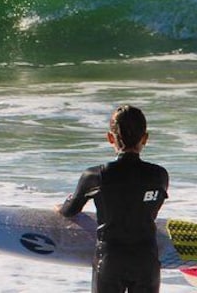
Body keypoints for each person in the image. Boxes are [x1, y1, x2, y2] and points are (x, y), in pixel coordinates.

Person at [58, 105, 169, 293]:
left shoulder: (95, 175)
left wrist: (61, 207)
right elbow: (149, 211)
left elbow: (70, 210)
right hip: (146, 260)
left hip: (110, 260)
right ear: (145, 138)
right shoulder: (159, 176)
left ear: (110, 138)